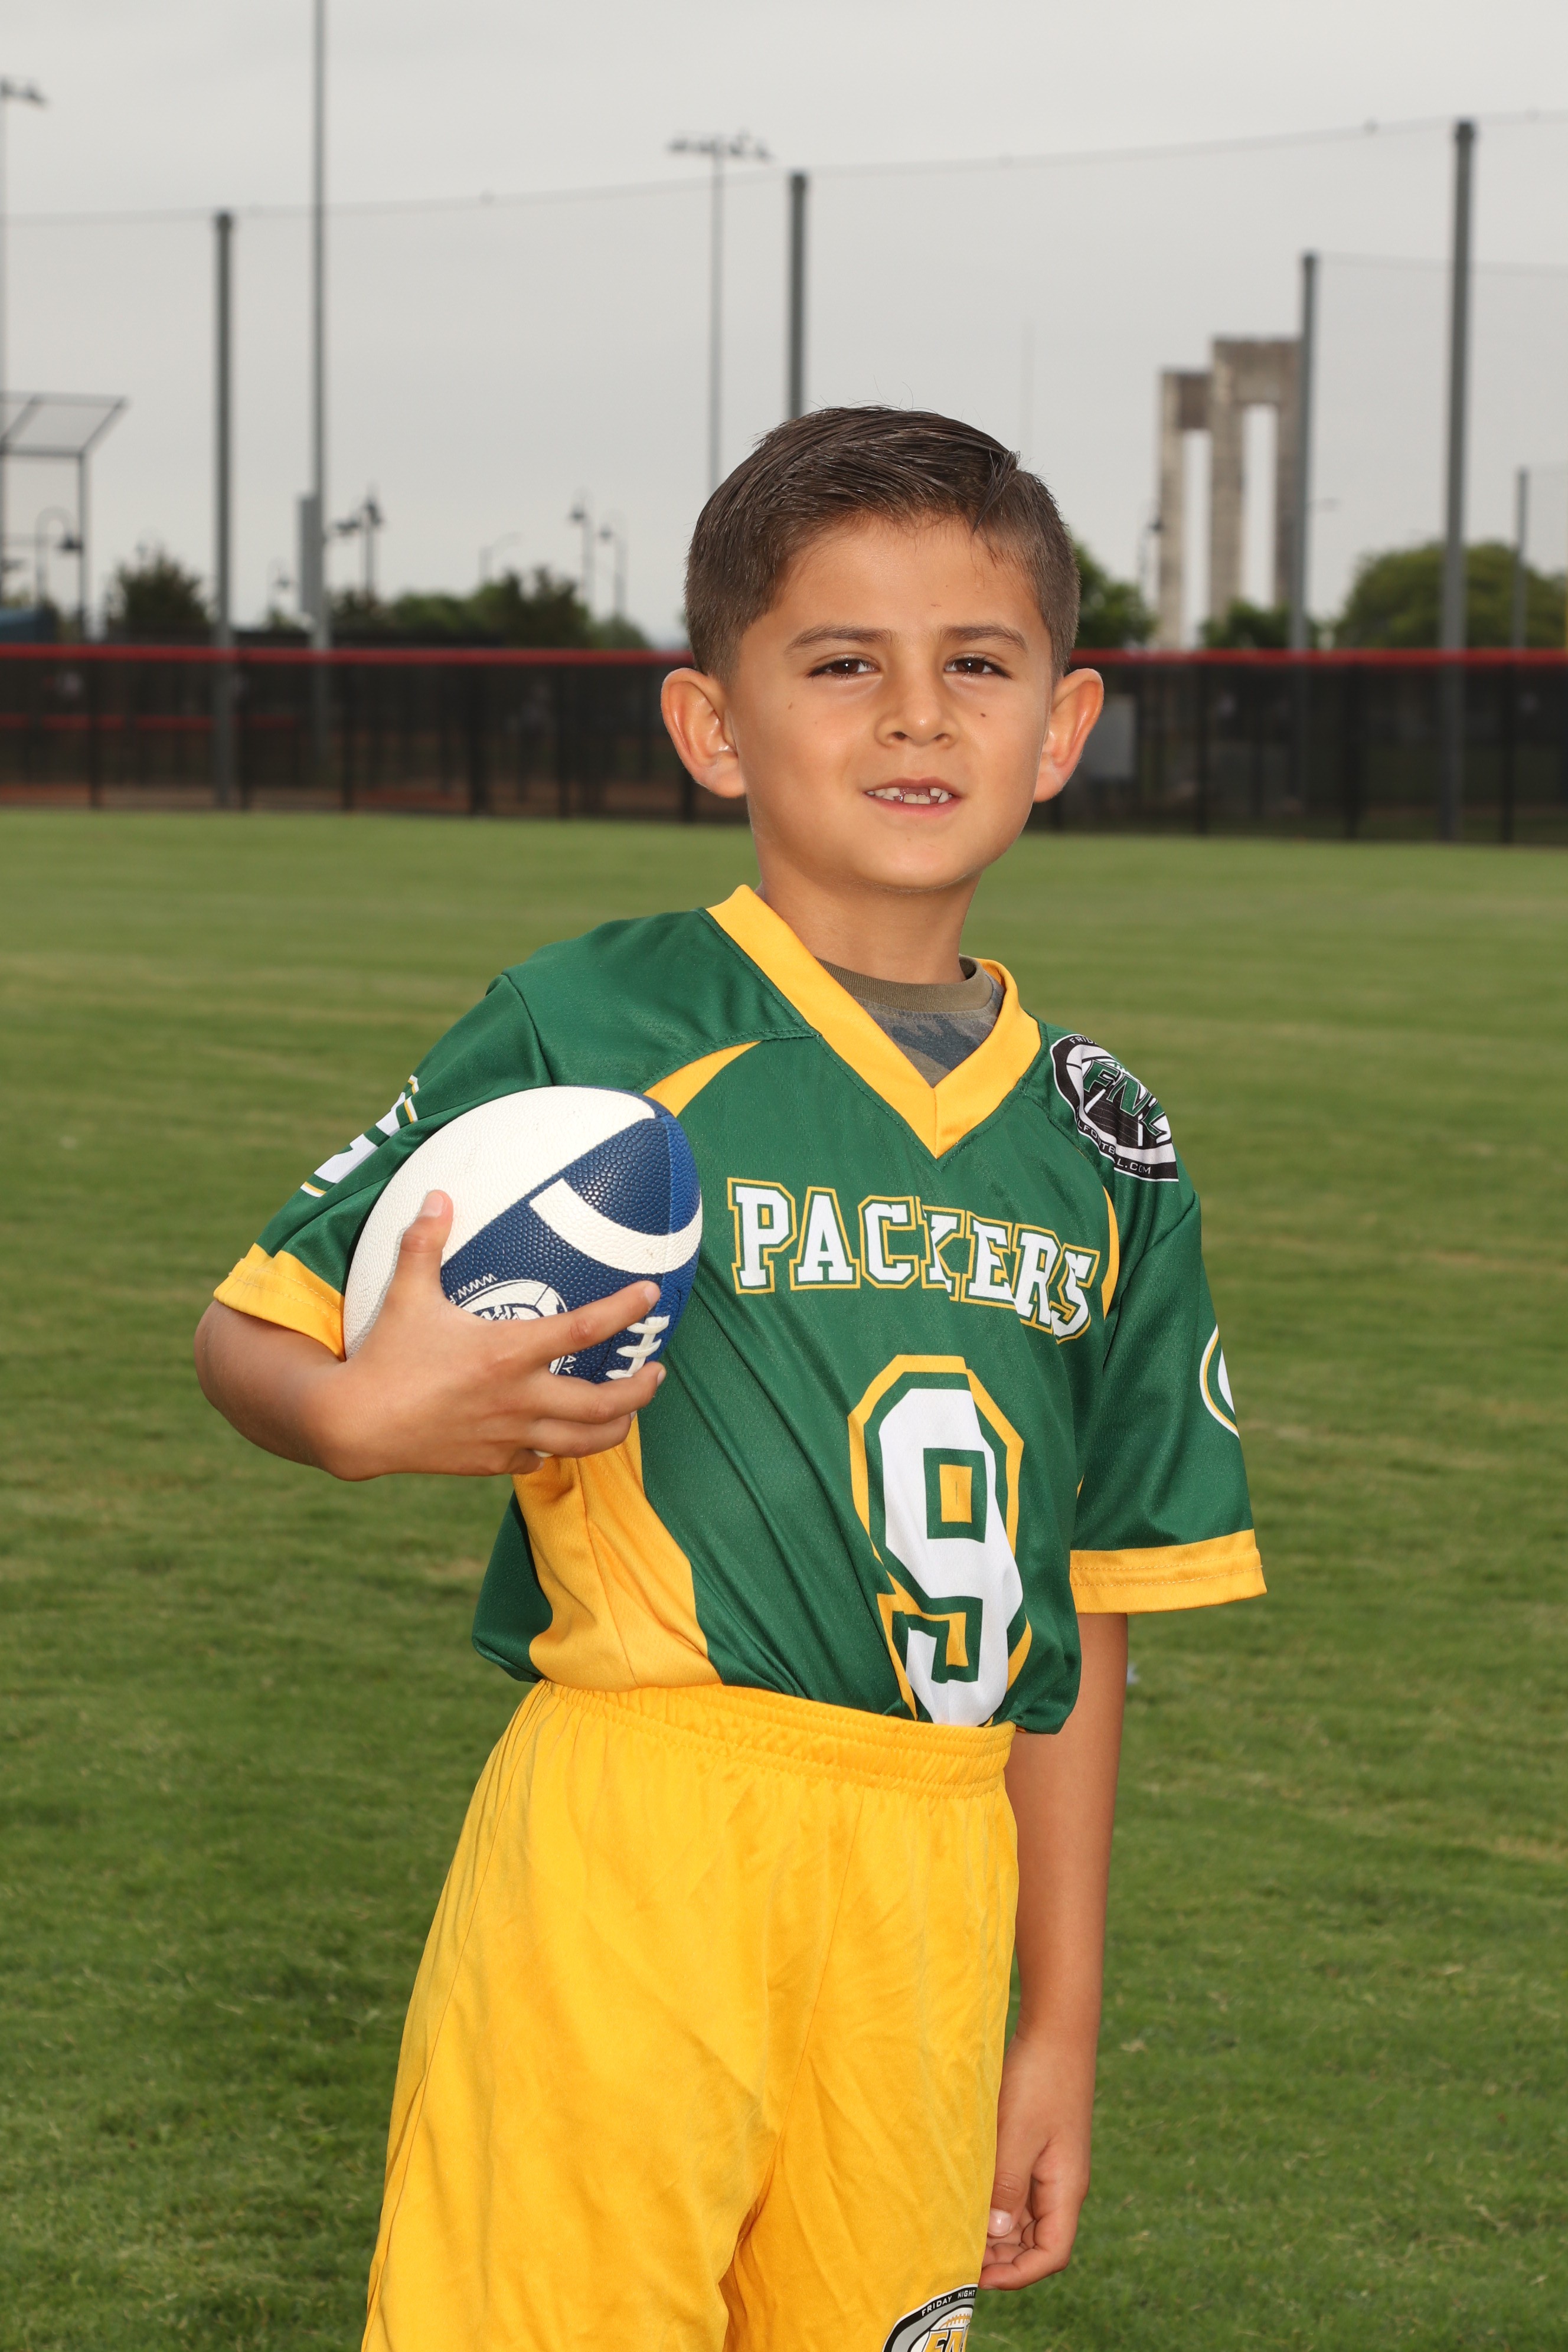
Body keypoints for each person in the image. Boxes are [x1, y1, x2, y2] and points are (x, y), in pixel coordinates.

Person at [195, 407, 1263, 2352]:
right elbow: (252, 1326)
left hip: (936, 1877)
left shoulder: (1107, 1143)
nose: (917, 715)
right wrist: (353, 1414)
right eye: (843, 663)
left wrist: (1059, 2024)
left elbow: (1087, 1608)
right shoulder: (599, 1024)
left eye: (978, 664)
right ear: (713, 725)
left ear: (1064, 726)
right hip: (644, 1834)